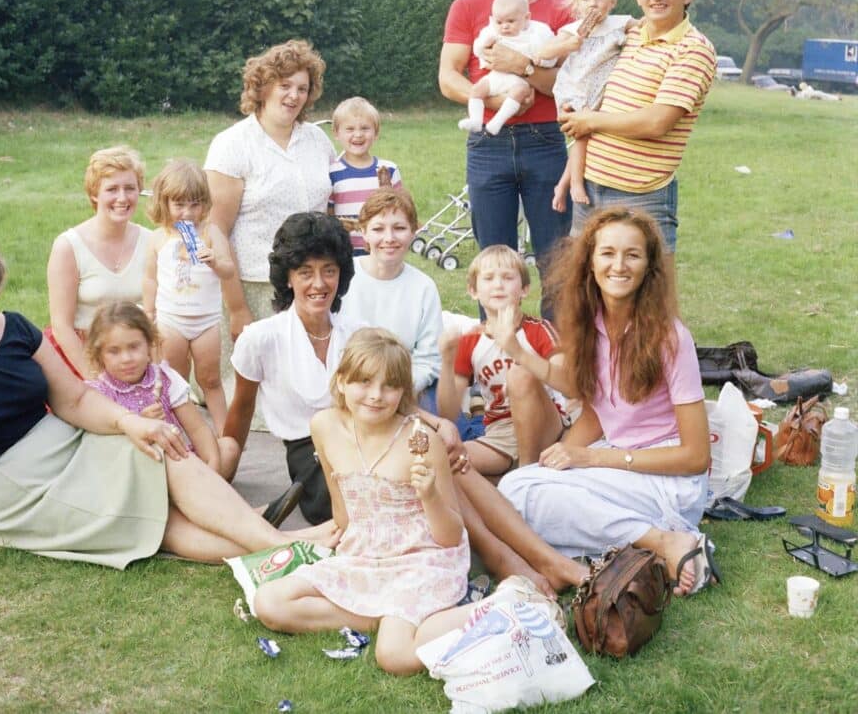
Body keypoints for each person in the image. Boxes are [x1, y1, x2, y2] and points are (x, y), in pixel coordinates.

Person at [0, 220, 338, 565]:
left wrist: (132, 422)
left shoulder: (13, 329)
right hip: (4, 493)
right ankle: (282, 545)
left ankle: (277, 543)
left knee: (157, 445)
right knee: (141, 517)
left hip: (64, 447)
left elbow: (74, 400)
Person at [497, 207, 717, 596]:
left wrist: (590, 459)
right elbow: (601, 412)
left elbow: (696, 456)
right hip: (619, 465)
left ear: (649, 266)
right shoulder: (590, 323)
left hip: (668, 480)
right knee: (517, 488)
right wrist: (562, 457)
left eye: (632, 254)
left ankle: (667, 542)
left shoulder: (670, 337)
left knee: (524, 496)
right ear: (590, 262)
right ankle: (639, 550)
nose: (619, 265)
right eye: (607, 253)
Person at [253, 328, 469, 676]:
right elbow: (344, 510)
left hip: (419, 559)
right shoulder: (323, 426)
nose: (375, 395)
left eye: (389, 386)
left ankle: (501, 605)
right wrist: (327, 538)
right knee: (270, 602)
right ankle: (388, 617)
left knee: (396, 658)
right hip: (365, 553)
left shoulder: (421, 441)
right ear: (341, 382)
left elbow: (450, 536)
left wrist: (429, 495)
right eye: (364, 382)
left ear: (403, 392)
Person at [439, 0, 576, 288]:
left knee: (557, 262)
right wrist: (491, 103)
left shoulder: (562, 10)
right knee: (492, 266)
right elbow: (448, 77)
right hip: (488, 144)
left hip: (545, 142)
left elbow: (570, 87)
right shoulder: (466, 7)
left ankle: (554, 344)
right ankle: (497, 345)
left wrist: (524, 67)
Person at [560, 0, 716, 252]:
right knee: (585, 293)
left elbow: (657, 121)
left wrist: (588, 120)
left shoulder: (693, 49)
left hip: (642, 197)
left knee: (645, 296)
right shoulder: (626, 36)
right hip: (589, 189)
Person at [205, 40, 335, 399]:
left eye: (302, 89)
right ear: (262, 87)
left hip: (312, 287)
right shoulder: (232, 144)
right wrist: (236, 309)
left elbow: (330, 211)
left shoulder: (318, 141)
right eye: (285, 86)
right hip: (255, 287)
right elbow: (216, 230)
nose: (294, 96)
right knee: (261, 398)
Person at [220, 212, 362, 524]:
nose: (319, 284)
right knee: (345, 498)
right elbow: (241, 409)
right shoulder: (260, 338)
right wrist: (223, 476)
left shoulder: (357, 334)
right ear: (288, 277)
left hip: (362, 438)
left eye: (329, 271)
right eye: (305, 272)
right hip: (308, 453)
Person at [438, 245, 579, 474]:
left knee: (519, 374)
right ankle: (508, 479)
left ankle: (524, 476)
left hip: (545, 426)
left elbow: (569, 385)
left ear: (524, 289)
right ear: (473, 291)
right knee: (446, 458)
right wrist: (446, 360)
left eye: (507, 277)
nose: (498, 284)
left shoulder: (540, 330)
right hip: (500, 434)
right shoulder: (471, 341)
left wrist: (516, 350)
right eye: (489, 278)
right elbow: (448, 412)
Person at [142, 159, 235, 431]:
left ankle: (225, 436)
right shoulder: (159, 238)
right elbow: (150, 278)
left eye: (194, 204)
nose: (187, 213)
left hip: (205, 320)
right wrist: (148, 313)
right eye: (179, 205)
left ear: (204, 204)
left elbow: (228, 271)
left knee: (210, 380)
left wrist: (215, 261)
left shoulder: (210, 233)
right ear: (164, 203)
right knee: (175, 380)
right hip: (171, 319)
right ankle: (181, 432)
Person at [534, 0, 634, 212]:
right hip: (575, 88)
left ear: (611, 1)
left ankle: (562, 184)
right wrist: (566, 46)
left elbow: (645, 29)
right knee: (582, 136)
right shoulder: (571, 30)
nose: (593, 3)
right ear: (577, 4)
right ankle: (576, 183)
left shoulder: (620, 23)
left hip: (601, 90)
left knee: (587, 138)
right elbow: (542, 54)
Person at [46, 146, 151, 378]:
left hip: (135, 357)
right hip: (82, 356)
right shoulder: (68, 246)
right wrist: (97, 380)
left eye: (130, 188)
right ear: (94, 194)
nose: (122, 198)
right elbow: (61, 326)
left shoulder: (151, 242)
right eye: (112, 189)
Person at [84, 301, 221, 471]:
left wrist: (213, 468)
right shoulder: (98, 394)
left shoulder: (164, 378)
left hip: (178, 460)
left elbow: (198, 429)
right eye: (114, 351)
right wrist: (141, 424)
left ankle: (202, 487)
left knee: (228, 448)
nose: (126, 358)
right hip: (135, 471)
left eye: (134, 347)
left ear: (149, 345)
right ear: (99, 355)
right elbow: (103, 451)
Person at [338, 189, 442, 406]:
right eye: (378, 229)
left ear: (413, 232)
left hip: (404, 385)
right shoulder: (343, 279)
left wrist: (397, 391)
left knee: (436, 431)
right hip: (352, 384)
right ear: (363, 232)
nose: (389, 238)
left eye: (400, 228)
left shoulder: (424, 287)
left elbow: (429, 358)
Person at [458, 0, 558, 136]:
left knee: (520, 92)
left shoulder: (536, 34)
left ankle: (497, 122)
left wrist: (540, 60)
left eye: (511, 21)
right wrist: (483, 46)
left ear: (526, 18)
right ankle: (475, 120)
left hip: (520, 80)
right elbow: (478, 49)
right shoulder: (491, 32)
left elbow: (550, 55)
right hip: (496, 76)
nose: (504, 26)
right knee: (476, 90)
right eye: (499, 22)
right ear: (493, 20)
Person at [328, 96, 403, 255]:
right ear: (336, 133)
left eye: (365, 128)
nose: (358, 135)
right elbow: (329, 214)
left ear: (376, 133)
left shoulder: (389, 170)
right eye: (349, 129)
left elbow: (401, 210)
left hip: (381, 250)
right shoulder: (332, 173)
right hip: (345, 252)